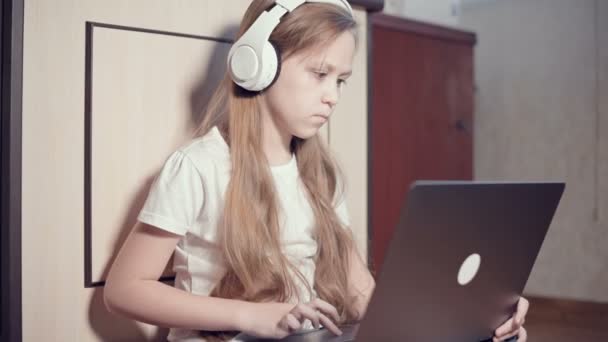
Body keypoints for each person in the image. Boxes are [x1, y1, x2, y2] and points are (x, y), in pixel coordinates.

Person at [103, 1, 528, 341]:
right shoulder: (198, 166)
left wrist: (470, 318)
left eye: (340, 80)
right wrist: (252, 317)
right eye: (319, 74)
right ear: (258, 67)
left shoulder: (319, 173)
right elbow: (125, 289)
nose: (332, 97)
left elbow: (361, 294)